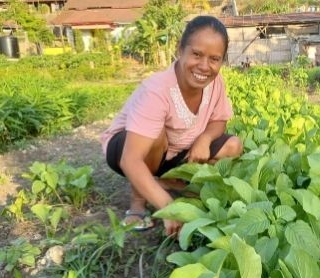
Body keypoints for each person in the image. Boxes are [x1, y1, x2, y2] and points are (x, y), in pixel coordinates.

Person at [99, 16, 243, 236]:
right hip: (129, 149)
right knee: (155, 134)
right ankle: (138, 203)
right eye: (196, 54)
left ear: (222, 61)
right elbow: (131, 159)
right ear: (180, 50)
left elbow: (219, 121)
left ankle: (165, 183)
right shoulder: (157, 90)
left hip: (177, 150)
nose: (204, 66)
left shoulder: (216, 83)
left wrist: (204, 140)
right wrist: (169, 208)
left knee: (233, 146)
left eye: (214, 59)